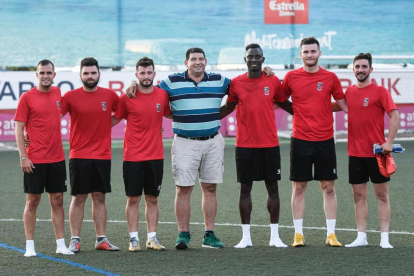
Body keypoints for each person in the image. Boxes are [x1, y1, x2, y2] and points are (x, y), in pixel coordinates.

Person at [127, 48, 230, 249]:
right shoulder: (170, 82)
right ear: (186, 62)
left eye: (201, 59)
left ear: (206, 61)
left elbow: (240, 89)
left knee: (210, 187)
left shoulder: (220, 80)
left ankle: (209, 235)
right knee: (184, 188)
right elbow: (148, 88)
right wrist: (133, 83)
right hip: (185, 141)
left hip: (213, 141)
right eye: (193, 59)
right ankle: (183, 234)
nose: (197, 62)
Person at [220, 44, 293, 248]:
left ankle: (275, 236)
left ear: (263, 59)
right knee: (245, 189)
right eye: (250, 57)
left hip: (270, 144)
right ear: (245, 59)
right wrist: (206, 119)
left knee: (273, 188)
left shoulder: (272, 80)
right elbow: (228, 108)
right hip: (245, 145)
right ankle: (246, 237)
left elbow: (286, 104)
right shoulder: (236, 83)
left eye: (257, 57)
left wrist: (308, 116)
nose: (253, 60)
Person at [282, 37, 348, 247]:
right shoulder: (291, 77)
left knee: (328, 188)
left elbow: (344, 104)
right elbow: (279, 98)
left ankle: (331, 235)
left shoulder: (330, 77)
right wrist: (297, 111)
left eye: (313, 51)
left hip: (325, 140)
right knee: (299, 188)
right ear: (300, 55)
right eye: (306, 52)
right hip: (300, 139)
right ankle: (298, 235)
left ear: (319, 54)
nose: (310, 55)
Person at [15, 60, 74, 257]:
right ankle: (29, 247)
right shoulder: (27, 97)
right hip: (34, 159)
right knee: (32, 201)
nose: (46, 76)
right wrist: (23, 156)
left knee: (57, 201)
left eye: (49, 72)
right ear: (37, 75)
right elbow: (19, 128)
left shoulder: (58, 94)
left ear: (54, 75)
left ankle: (60, 245)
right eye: (42, 73)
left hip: (56, 159)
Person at [61, 57, 120, 252]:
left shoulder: (110, 95)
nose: (90, 76)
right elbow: (52, 116)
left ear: (99, 74)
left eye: (93, 73)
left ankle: (101, 239)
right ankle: (75, 240)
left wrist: (104, 125)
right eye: (86, 73)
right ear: (80, 76)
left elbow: (122, 113)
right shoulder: (70, 96)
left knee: (100, 197)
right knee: (79, 197)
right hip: (79, 155)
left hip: (103, 155)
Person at [112, 57, 171, 251]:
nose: (146, 76)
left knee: (153, 198)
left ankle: (152, 238)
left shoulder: (162, 95)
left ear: (154, 74)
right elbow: (113, 120)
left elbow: (171, 113)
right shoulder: (127, 96)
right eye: (142, 73)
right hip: (133, 157)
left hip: (155, 156)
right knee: (133, 199)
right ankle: (134, 239)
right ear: (136, 75)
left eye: (149, 72)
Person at [342, 53, 398, 248]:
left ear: (371, 69)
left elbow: (394, 115)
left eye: (364, 66)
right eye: (357, 66)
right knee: (359, 197)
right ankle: (361, 237)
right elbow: (330, 106)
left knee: (382, 196)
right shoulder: (348, 92)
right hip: (355, 154)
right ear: (353, 69)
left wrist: (389, 142)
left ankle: (385, 239)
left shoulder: (380, 91)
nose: (360, 70)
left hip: (377, 153)